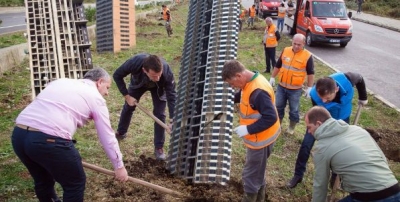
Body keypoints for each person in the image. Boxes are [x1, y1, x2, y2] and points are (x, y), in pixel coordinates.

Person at [11, 68, 129, 202]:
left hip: (19, 135)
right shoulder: (95, 98)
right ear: (99, 82)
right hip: (48, 140)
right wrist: (119, 166)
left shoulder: (60, 82)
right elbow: (107, 136)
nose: (107, 93)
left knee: (43, 179)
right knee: (75, 183)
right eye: (107, 87)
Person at [287, 72, 368, 188]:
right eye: (322, 98)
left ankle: (336, 178)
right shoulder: (315, 94)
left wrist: (363, 97)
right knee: (306, 144)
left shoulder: (348, 79)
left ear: (336, 89)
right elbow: (318, 111)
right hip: (322, 119)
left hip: (343, 119)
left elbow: (360, 78)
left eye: (328, 98)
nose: (324, 101)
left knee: (340, 149)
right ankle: (298, 175)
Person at [304, 106, 400, 202]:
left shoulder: (322, 148)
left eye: (309, 127)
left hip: (370, 197)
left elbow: (320, 185)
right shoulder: (358, 130)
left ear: (318, 123)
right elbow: (382, 158)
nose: (309, 131)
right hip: (395, 190)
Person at [222, 60, 281, 202]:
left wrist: (248, 129)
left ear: (238, 76)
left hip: (260, 141)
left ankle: (250, 198)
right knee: (258, 172)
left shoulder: (258, 92)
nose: (232, 87)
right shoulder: (251, 80)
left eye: (232, 83)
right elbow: (245, 96)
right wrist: (229, 100)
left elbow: (271, 117)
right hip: (260, 138)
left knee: (251, 175)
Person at [113, 54, 176, 160]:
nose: (157, 78)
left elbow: (172, 95)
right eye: (154, 76)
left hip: (158, 89)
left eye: (159, 75)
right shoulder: (135, 62)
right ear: (144, 70)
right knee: (128, 107)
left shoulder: (166, 72)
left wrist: (173, 119)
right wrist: (127, 96)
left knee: (160, 114)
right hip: (138, 83)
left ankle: (159, 148)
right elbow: (117, 75)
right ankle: (121, 132)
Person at [269, 33, 314, 135]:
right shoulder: (286, 50)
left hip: (295, 89)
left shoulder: (307, 56)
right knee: (278, 106)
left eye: (299, 44)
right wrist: (272, 77)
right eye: (294, 44)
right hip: (281, 86)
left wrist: (310, 87)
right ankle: (278, 125)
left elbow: (311, 73)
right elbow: (278, 65)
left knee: (294, 110)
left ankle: (291, 127)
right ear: (292, 42)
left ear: (304, 44)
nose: (296, 46)